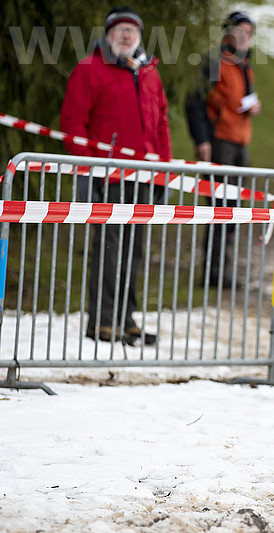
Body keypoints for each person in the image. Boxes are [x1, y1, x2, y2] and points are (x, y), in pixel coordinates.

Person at [60, 6, 171, 345]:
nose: (125, 36)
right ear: (107, 35)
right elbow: (73, 124)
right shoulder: (90, 69)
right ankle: (102, 320)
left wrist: (164, 173)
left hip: (144, 176)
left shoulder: (149, 73)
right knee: (109, 249)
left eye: (131, 30)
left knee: (134, 250)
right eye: (119, 30)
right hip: (108, 177)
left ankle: (126, 317)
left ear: (139, 36)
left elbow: (161, 124)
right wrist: (90, 168)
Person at [185, 11, 260, 288]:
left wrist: (252, 105)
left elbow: (239, 98)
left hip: (240, 141)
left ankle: (222, 271)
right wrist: (202, 140)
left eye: (249, 33)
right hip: (219, 141)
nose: (245, 37)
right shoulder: (214, 63)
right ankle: (212, 273)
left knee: (234, 208)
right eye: (240, 31)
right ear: (228, 33)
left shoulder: (244, 63)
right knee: (219, 207)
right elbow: (194, 103)